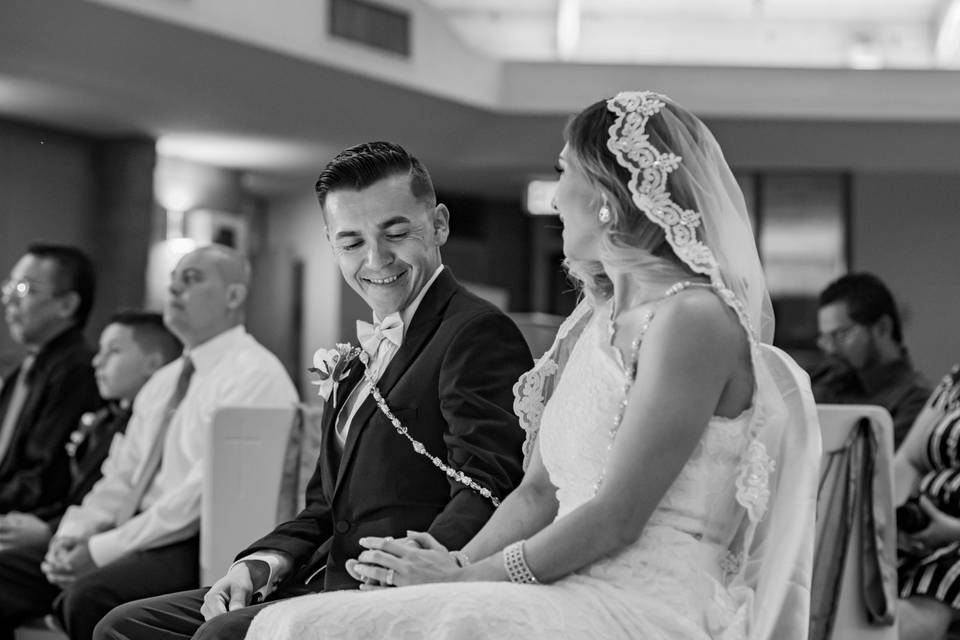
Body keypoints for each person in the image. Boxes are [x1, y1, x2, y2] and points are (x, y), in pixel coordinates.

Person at [234, 92, 822, 640]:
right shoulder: (590, 325)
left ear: (609, 194)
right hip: (563, 579)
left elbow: (618, 517)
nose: (555, 193)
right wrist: (455, 564)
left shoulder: (692, 320)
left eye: (564, 172)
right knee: (294, 625)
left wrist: (470, 580)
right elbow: (537, 493)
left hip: (643, 595)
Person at [94, 142, 532, 640]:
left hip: (391, 592)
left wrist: (417, 568)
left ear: (439, 225)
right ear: (330, 243)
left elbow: (490, 484)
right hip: (316, 578)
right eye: (351, 243)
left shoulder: (475, 331)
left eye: (395, 232)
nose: (376, 258)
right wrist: (262, 562)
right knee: (125, 626)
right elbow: (325, 506)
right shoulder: (355, 357)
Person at [17, 244, 298, 640]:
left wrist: (102, 550)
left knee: (87, 597)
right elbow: (122, 472)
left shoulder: (254, 375)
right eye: (172, 281)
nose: (174, 290)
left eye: (191, 279)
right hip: (134, 529)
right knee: (33, 570)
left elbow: (196, 498)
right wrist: (75, 533)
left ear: (234, 296)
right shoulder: (164, 381)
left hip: (196, 542)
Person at [0, 309, 181, 639]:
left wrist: (52, 533)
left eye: (113, 351)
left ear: (153, 364)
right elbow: (102, 491)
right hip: (90, 531)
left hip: (141, 539)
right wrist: (66, 534)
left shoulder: (164, 416)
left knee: (84, 595)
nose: (97, 362)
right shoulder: (105, 420)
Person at [0, 243, 102, 515]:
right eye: (10, 287)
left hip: (32, 523)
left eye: (25, 289)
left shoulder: (76, 371)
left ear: (67, 305)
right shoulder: (23, 371)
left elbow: (42, 479)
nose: (9, 300)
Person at [812, 273, 930, 449]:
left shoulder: (916, 401)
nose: (831, 348)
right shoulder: (826, 380)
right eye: (826, 338)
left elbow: (878, 471)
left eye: (841, 334)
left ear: (883, 328)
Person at [893, 365, 960, 640]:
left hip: (954, 538)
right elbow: (908, 459)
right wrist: (891, 523)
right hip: (922, 523)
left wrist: (953, 529)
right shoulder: (956, 379)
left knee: (942, 577)